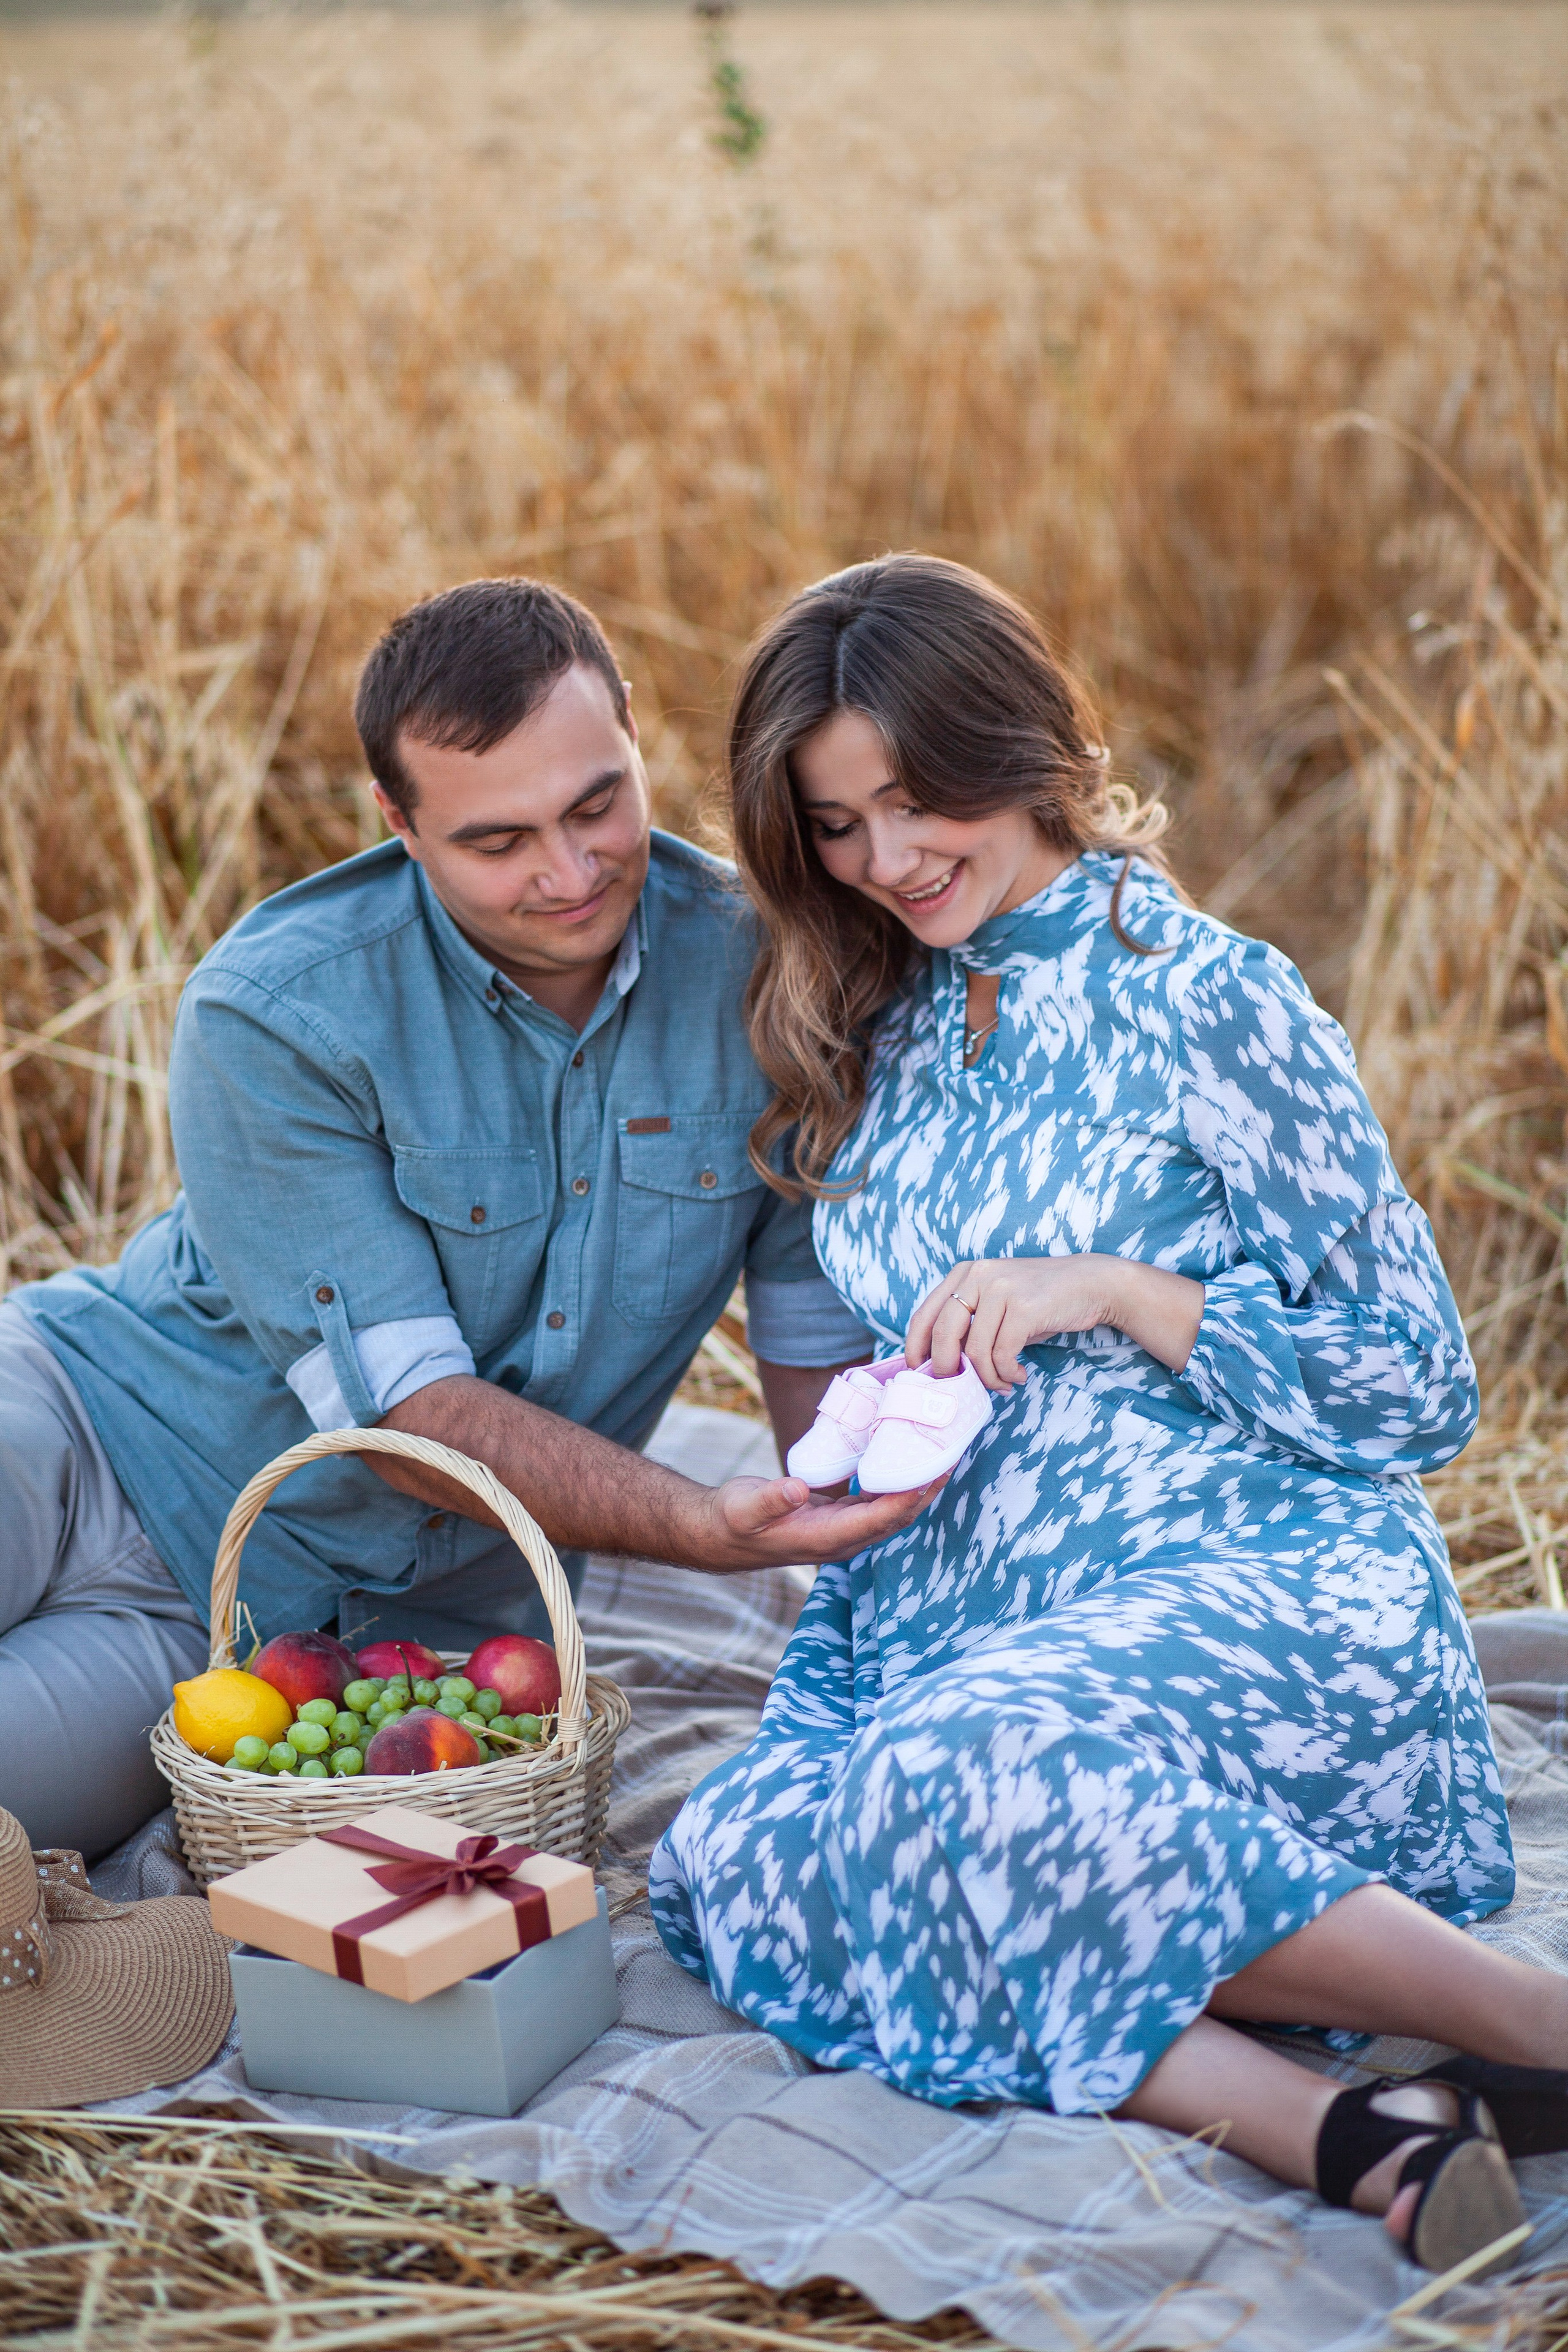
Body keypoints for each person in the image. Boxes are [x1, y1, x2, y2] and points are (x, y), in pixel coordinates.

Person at [650, 552, 1568, 2272]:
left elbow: (1418, 1380)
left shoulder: (1206, 997)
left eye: (917, 802)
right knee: (748, 1861)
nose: (888, 860)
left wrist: (1123, 1291)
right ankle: (1356, 2129)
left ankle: (1533, 2025)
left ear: (1021, 744)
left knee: (954, 1783)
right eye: (837, 827)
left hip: (1257, 1579)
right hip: (962, 1614)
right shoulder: (885, 1017)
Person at [1, 578, 937, 1861]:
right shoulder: (275, 1011)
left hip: (260, 1637)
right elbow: (405, 1422)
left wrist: (861, 1564)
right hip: (80, 1427)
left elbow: (813, 1337)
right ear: (398, 822)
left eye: (597, 803)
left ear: (628, 737)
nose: (567, 873)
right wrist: (689, 1525)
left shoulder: (771, 976)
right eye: (497, 842)